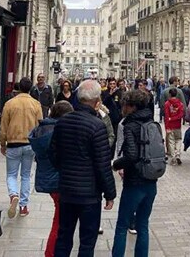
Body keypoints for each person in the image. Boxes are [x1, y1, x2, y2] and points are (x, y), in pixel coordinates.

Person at [50, 80, 117, 256]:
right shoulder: (97, 126)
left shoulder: (62, 122)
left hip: (67, 190)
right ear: (97, 102)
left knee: (63, 237)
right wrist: (110, 193)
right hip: (89, 194)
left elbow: (53, 154)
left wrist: (65, 169)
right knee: (87, 242)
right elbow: (103, 164)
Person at [112, 88, 161, 257]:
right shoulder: (152, 124)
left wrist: (115, 165)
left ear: (132, 106)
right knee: (143, 226)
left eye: (124, 105)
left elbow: (131, 155)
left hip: (134, 182)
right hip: (151, 180)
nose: (122, 108)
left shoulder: (130, 126)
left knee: (122, 226)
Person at [30, 101, 74, 257]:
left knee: (60, 218)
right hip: (60, 180)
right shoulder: (58, 131)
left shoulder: (41, 130)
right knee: (60, 223)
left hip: (49, 179)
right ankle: (51, 253)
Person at [0, 76, 43, 217]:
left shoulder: (10, 104)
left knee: (11, 174)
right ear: (31, 88)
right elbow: (40, 126)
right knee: (25, 175)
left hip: (13, 143)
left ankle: (13, 194)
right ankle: (23, 206)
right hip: (29, 144)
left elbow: (3, 126)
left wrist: (2, 143)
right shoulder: (36, 104)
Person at [163, 88, 184, 165]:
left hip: (170, 125)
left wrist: (167, 125)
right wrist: (176, 118)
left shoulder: (167, 104)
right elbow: (181, 115)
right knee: (178, 139)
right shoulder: (180, 104)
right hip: (177, 125)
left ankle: (173, 157)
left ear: (170, 94)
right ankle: (178, 153)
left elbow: (166, 116)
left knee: (171, 142)